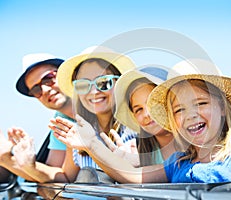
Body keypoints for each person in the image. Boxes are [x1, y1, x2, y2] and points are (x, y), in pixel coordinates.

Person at [47, 59, 231, 184]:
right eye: (179, 109)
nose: (190, 115)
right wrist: (92, 145)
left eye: (200, 103)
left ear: (223, 107)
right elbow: (129, 175)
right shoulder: (178, 163)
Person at [11, 46, 137, 183]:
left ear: (120, 83)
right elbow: (66, 177)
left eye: (103, 82)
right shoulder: (77, 132)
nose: (94, 91)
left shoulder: (138, 123)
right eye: (83, 85)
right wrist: (29, 166)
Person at [0, 53, 73, 182]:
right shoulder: (60, 122)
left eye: (48, 79)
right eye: (36, 89)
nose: (44, 90)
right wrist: (6, 158)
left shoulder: (100, 104)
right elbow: (59, 178)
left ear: (66, 74)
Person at [102, 66, 176, 166]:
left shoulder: (195, 141)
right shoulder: (135, 151)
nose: (147, 114)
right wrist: (131, 169)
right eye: (138, 109)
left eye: (153, 103)